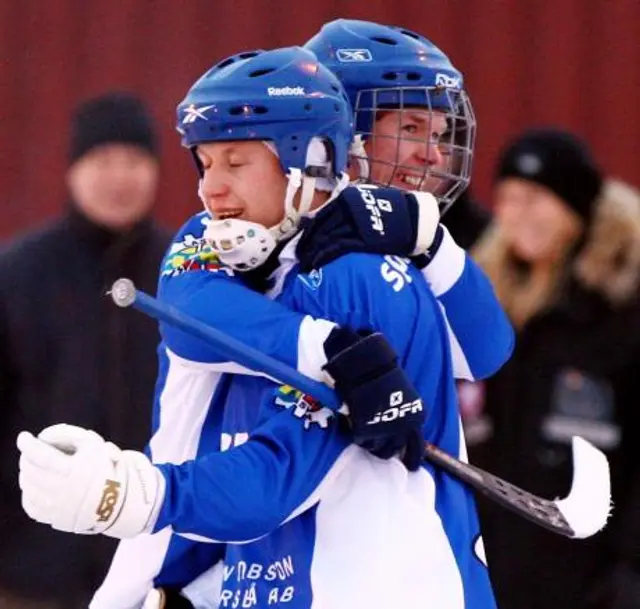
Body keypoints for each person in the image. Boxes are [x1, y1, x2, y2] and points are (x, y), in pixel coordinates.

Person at [16, 48, 513, 609]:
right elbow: (192, 327)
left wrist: (133, 495)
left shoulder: (357, 275)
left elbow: (280, 474)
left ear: (315, 154)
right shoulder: (237, 245)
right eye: (205, 163)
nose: (211, 190)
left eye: (235, 161)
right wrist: (322, 348)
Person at [0, 93, 170, 608]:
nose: (119, 177)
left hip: (153, 565)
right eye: (103, 161)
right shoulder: (19, 274)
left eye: (134, 161)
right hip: (33, 572)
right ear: (74, 169)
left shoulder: (184, 274)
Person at [466, 128, 640, 609]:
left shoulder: (620, 311)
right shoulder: (488, 304)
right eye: (508, 198)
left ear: (577, 207)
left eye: (536, 198)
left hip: (595, 585)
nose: (518, 214)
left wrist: (628, 575)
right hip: (496, 575)